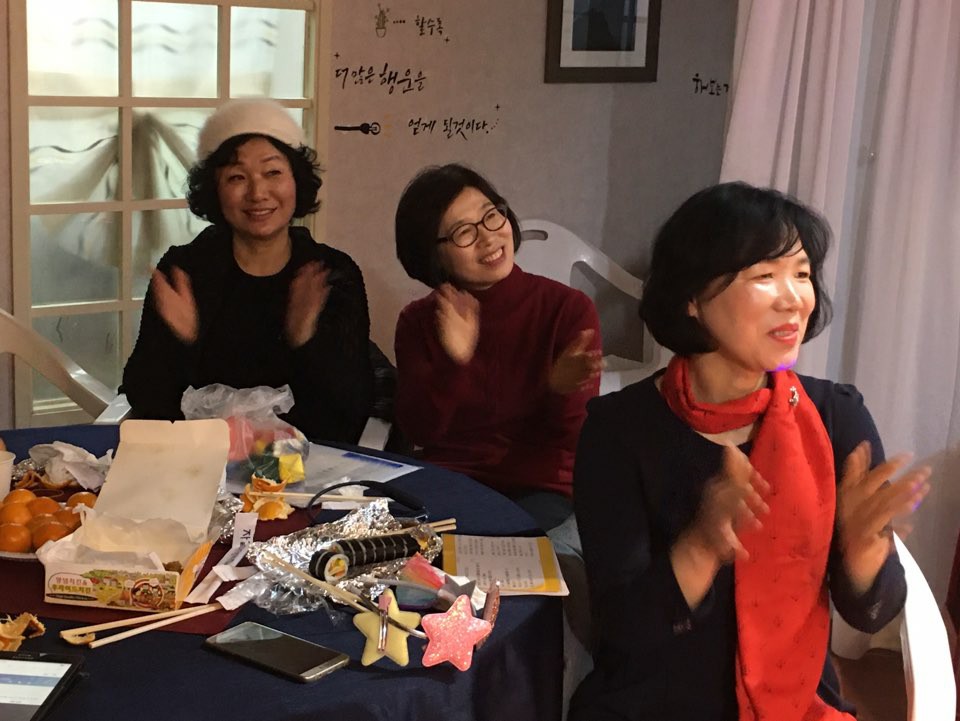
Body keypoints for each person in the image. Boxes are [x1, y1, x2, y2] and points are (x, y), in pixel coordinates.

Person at [570, 182, 931, 720]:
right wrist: (700, 547)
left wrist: (862, 552)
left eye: (802, 274)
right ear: (692, 298)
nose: (794, 298)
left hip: (797, 704)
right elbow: (622, 632)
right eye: (764, 276)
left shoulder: (836, 417)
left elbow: (873, 613)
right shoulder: (618, 430)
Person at [122, 99, 373, 443]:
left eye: (273, 173)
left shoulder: (331, 273)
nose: (257, 193)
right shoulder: (186, 271)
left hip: (303, 463)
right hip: (201, 458)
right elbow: (145, 401)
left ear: (297, 181)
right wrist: (181, 343)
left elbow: (349, 412)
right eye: (237, 177)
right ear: (215, 190)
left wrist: (305, 342)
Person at [393, 163, 603, 531]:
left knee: (496, 555)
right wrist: (455, 363)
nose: (488, 238)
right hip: (448, 480)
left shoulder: (567, 309)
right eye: (463, 232)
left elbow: (572, 442)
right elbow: (421, 432)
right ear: (433, 253)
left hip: (537, 488)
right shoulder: (419, 321)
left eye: (491, 216)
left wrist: (557, 389)